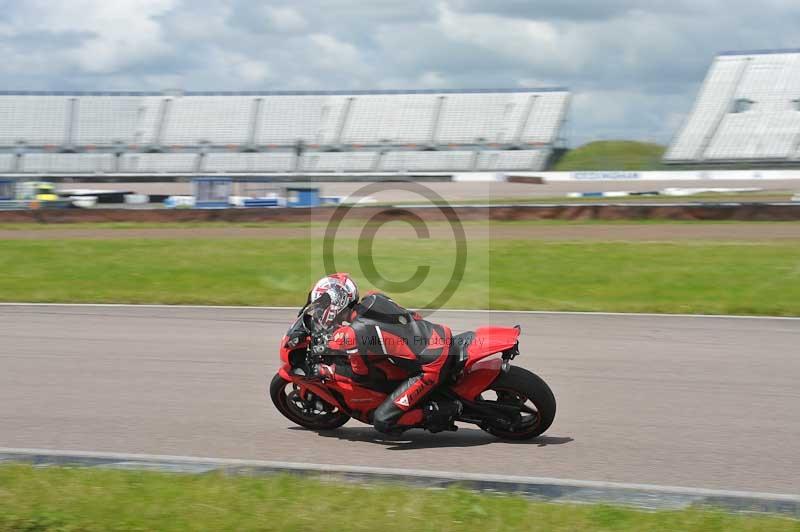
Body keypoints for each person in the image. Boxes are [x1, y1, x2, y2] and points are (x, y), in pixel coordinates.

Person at [302, 273, 462, 434]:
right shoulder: (373, 298)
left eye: (324, 303)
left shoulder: (353, 334)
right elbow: (406, 318)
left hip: (432, 365)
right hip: (437, 335)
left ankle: (449, 409)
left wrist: (328, 371)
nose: (321, 309)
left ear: (338, 301)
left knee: (383, 421)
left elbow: (361, 375)